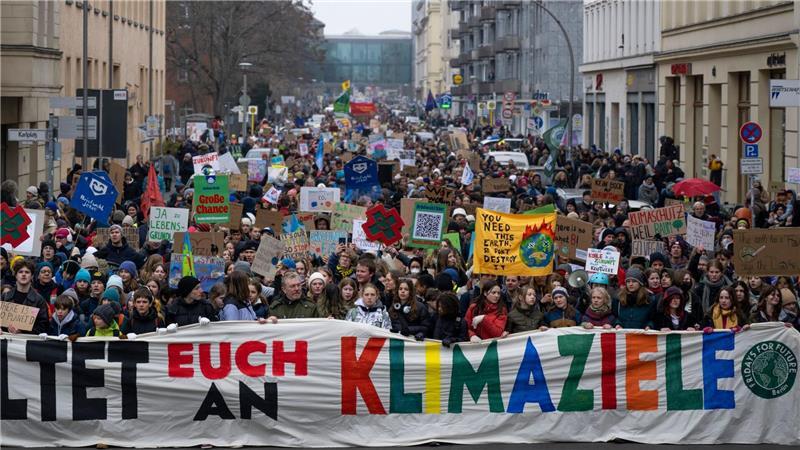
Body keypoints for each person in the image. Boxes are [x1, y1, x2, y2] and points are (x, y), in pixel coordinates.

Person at [2, 259, 49, 334]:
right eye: (20, 272)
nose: (23, 274)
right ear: (16, 275)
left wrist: (22, 331)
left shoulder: (39, 300)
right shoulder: (5, 296)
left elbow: (43, 326)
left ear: (32, 276)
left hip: (27, 343)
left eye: (27, 272)